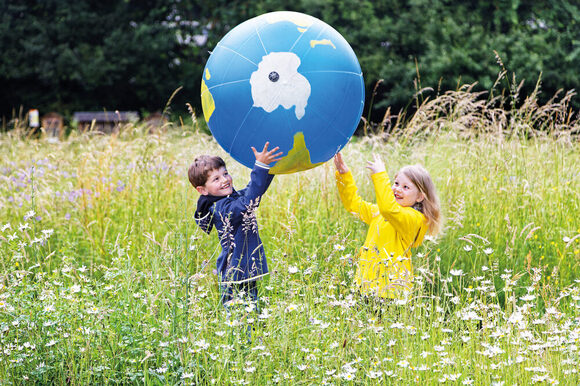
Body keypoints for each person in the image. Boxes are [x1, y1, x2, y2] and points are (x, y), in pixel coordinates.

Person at [333, 152, 442, 299]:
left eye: (405, 187)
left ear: (419, 197)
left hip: (390, 293)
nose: (397, 189)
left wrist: (380, 175)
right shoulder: (381, 213)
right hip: (365, 286)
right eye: (396, 183)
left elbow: (388, 209)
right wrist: (344, 175)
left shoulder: (414, 219)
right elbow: (354, 205)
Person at [188, 143, 283, 307]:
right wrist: (260, 166)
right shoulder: (222, 208)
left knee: (250, 312)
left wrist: (270, 168)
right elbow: (249, 201)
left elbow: (252, 191)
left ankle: (251, 332)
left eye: (225, 173)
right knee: (240, 316)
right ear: (202, 190)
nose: (225, 180)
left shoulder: (229, 199)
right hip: (235, 273)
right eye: (216, 179)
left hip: (243, 270)